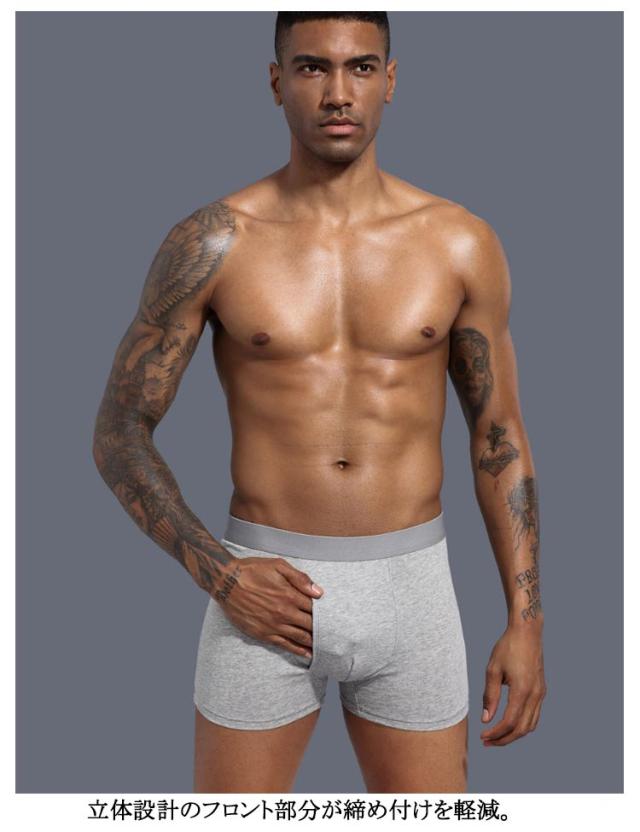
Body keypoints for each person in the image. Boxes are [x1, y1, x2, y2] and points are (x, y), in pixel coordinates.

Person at [92, 11, 546, 794]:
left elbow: (497, 436)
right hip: (259, 588)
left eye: (361, 67)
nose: (339, 92)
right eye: (312, 67)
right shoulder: (213, 242)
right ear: (276, 82)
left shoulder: (459, 242)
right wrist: (220, 574)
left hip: (413, 593)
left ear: (390, 81)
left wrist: (526, 620)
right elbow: (119, 431)